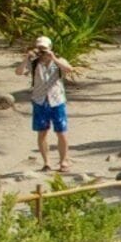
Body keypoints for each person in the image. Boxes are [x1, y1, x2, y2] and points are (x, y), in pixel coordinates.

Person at [22, 35, 73, 175]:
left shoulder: (58, 61)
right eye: (39, 48)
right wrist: (26, 58)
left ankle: (63, 161)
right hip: (39, 100)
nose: (42, 51)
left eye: (44, 48)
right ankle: (46, 162)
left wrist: (53, 58)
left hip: (57, 100)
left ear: (50, 48)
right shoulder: (33, 63)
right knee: (42, 133)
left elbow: (69, 69)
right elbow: (18, 72)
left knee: (61, 132)